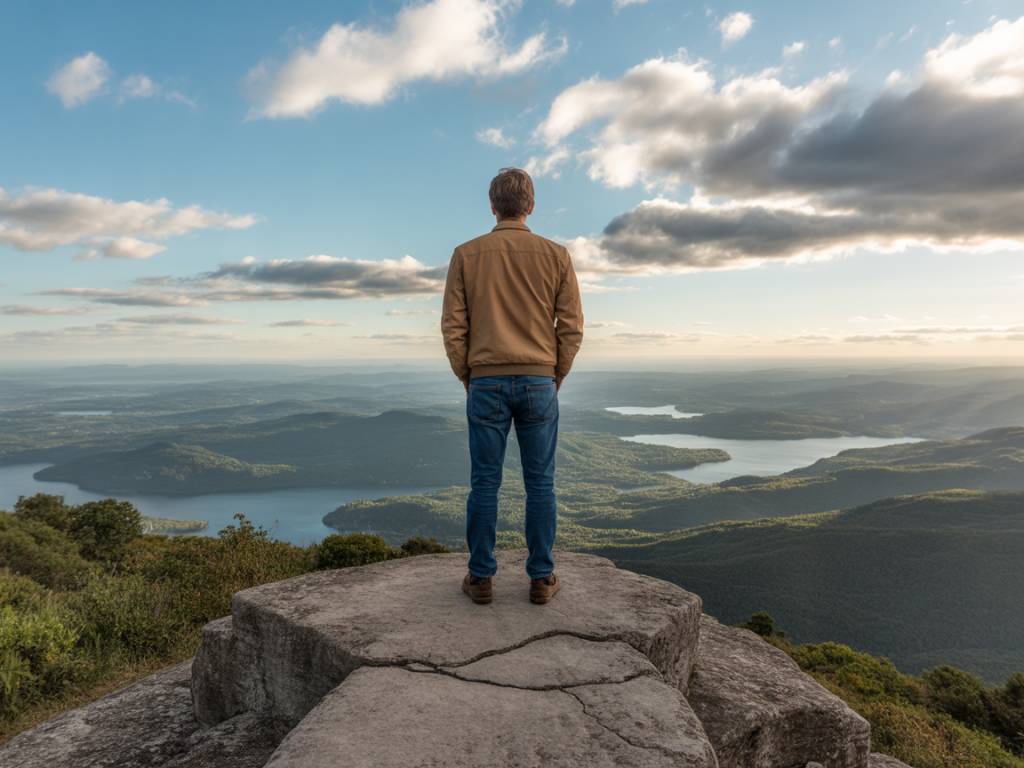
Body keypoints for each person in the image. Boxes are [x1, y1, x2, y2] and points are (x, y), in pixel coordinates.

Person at [441, 167, 584, 606]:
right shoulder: (555, 255)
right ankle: (541, 578)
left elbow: (453, 327)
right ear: (531, 205)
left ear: (492, 205)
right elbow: (572, 327)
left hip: (485, 380)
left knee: (484, 483)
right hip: (540, 380)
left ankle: (481, 577)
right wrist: (554, 373)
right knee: (541, 484)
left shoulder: (467, 254)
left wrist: (468, 374)